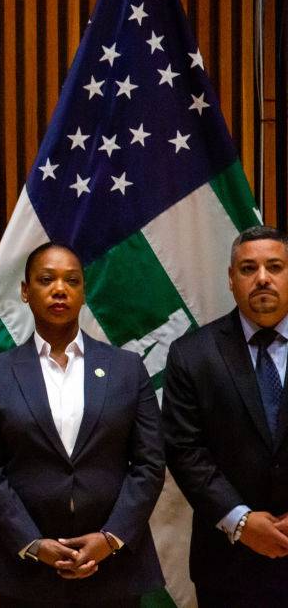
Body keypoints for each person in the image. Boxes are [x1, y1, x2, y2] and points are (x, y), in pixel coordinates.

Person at [0, 242, 164, 607]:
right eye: (46, 279)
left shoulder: (126, 368)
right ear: (26, 292)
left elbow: (150, 464)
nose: (60, 289)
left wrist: (110, 538)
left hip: (114, 567)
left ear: (83, 292)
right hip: (29, 571)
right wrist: (33, 543)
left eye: (72, 280)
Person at [163, 225, 288, 606]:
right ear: (231, 280)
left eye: (276, 267)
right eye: (248, 269)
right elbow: (185, 451)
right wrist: (242, 521)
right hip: (228, 563)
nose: (262, 278)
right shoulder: (192, 354)